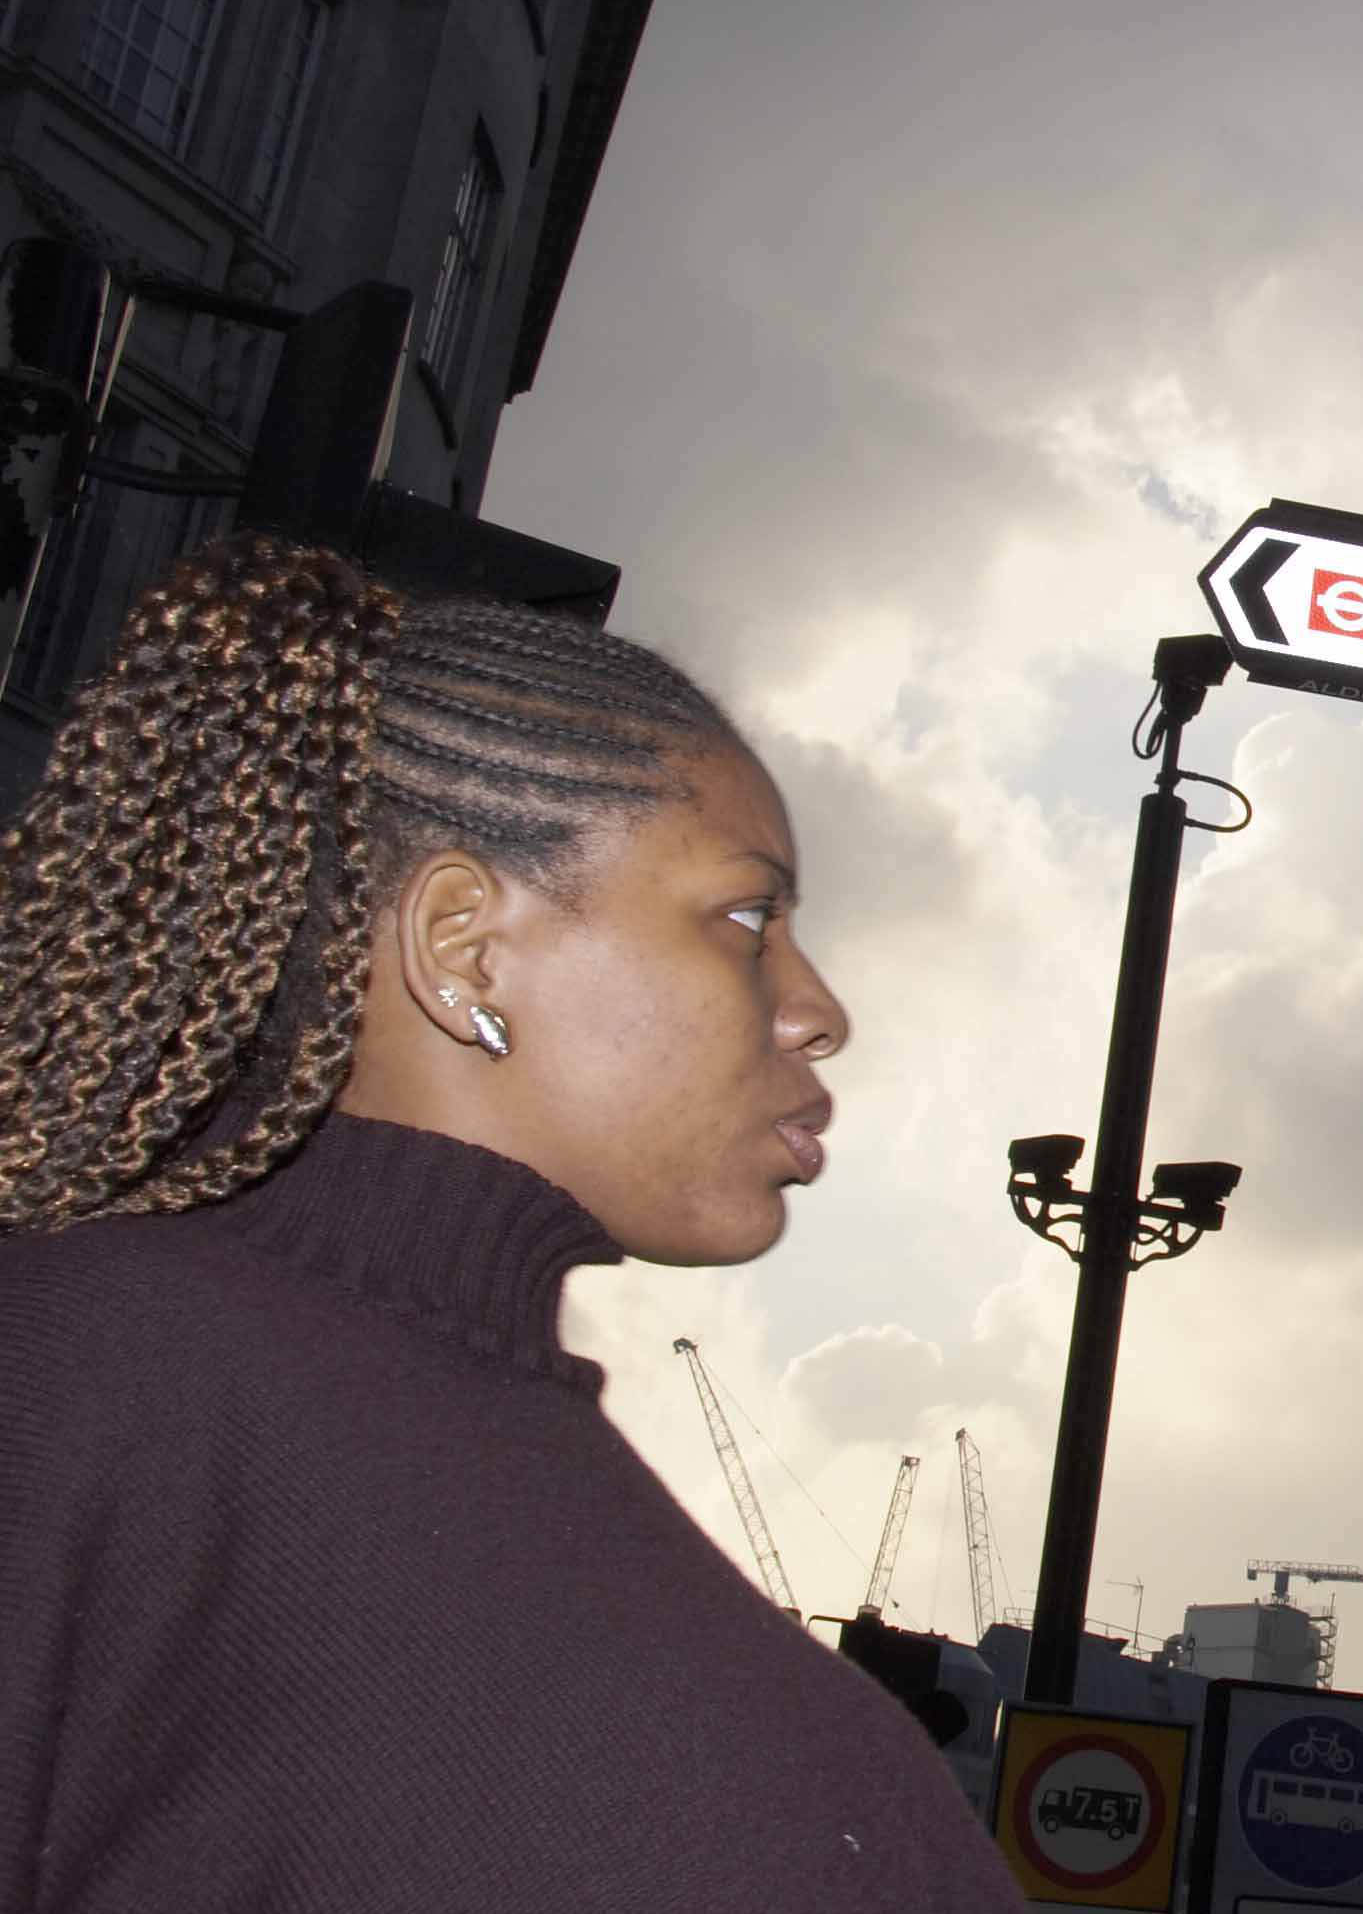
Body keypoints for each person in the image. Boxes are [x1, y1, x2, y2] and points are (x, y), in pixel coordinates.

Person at [0, 538, 1024, 1912]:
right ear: (465, 947)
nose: (815, 1008)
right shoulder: (93, 1365)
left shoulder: (488, 1435)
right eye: (744, 917)